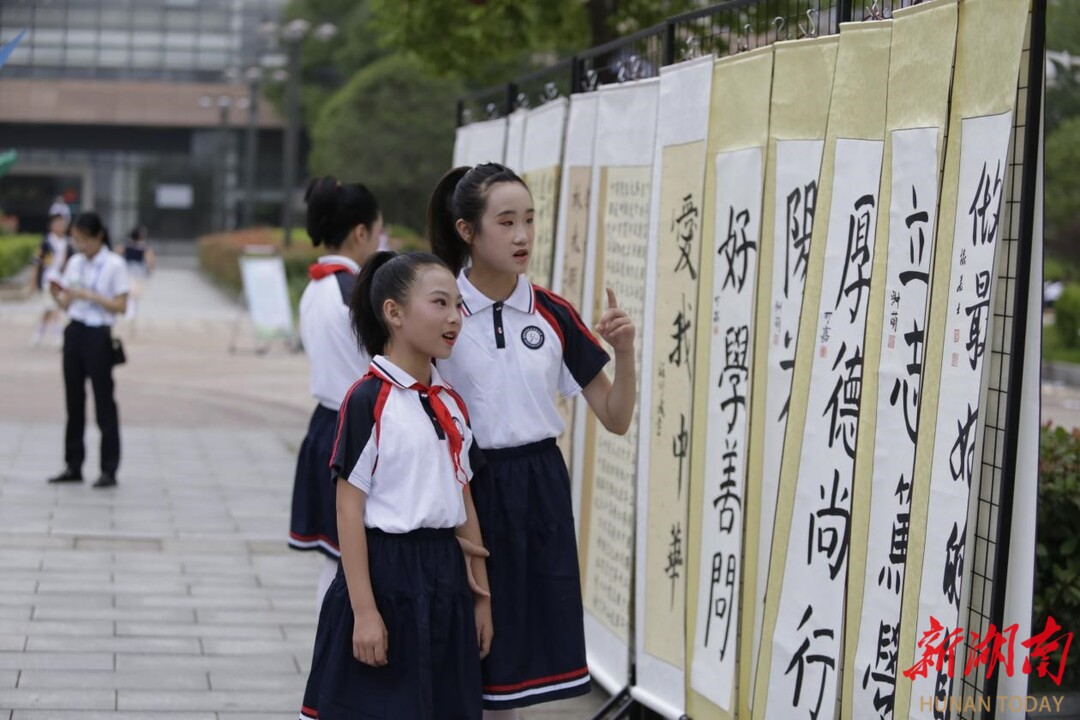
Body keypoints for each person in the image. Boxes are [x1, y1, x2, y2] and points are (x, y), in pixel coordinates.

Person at [427, 163, 637, 716]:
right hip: (463, 490)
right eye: (506, 222)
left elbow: (615, 417)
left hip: (539, 490)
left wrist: (628, 354)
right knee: (462, 655)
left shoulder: (554, 313)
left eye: (529, 220)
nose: (522, 236)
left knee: (515, 669)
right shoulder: (442, 311)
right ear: (467, 231)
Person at [298, 251, 492, 720]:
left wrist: (482, 600)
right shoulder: (368, 399)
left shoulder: (449, 402)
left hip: (444, 577)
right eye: (440, 303)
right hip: (385, 575)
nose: (453, 318)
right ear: (394, 312)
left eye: (457, 306)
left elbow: (463, 498)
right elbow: (348, 510)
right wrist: (365, 613)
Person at [289, 176, 383, 611]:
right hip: (361, 430)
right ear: (361, 232)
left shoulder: (315, 288)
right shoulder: (356, 293)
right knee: (351, 557)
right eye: (378, 230)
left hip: (327, 424)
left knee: (337, 554)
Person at [46, 211, 130, 489]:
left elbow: (121, 306)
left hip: (99, 334)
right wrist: (56, 293)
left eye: (84, 240)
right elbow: (66, 304)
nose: (80, 246)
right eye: (76, 240)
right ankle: (73, 464)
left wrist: (91, 295)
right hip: (75, 331)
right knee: (74, 401)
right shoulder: (76, 263)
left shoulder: (115, 264)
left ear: (99, 237)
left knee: (104, 402)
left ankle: (109, 469)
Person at [31, 213, 71, 347]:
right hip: (48, 278)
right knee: (54, 308)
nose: (60, 227)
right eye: (57, 224)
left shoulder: (67, 242)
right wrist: (34, 281)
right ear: (51, 226)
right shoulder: (46, 242)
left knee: (49, 309)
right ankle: (57, 337)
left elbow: (67, 263)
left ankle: (39, 334)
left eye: (62, 224)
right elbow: (37, 262)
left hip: (61, 279)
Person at [116, 225, 156, 326]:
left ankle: (129, 313)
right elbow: (150, 259)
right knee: (132, 294)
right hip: (136, 272)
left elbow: (117, 251)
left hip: (129, 270)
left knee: (129, 293)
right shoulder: (143, 247)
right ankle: (130, 313)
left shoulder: (127, 244)